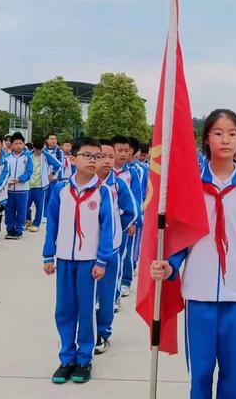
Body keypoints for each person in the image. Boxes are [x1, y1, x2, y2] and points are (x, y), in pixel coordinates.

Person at [150, 109, 236, 399]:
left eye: (232, 134)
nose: (225, 139)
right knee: (201, 373)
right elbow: (181, 236)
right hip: (200, 294)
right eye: (218, 133)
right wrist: (170, 266)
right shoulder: (191, 189)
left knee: (233, 375)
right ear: (207, 139)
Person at [42, 137, 114, 384]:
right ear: (73, 159)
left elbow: (107, 229)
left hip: (88, 262)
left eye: (97, 156)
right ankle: (66, 359)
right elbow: (52, 223)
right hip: (64, 259)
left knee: (85, 311)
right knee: (64, 310)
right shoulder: (60, 190)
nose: (94, 161)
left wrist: (102, 260)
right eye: (88, 156)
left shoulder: (103, 191)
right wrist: (48, 254)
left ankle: (84, 360)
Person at [94, 139, 138, 354]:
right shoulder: (84, 182)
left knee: (107, 291)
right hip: (85, 251)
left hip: (111, 249)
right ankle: (85, 330)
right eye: (103, 156)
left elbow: (132, 211)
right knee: (85, 293)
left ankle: (102, 332)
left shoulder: (118, 184)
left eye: (111, 157)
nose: (108, 161)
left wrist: (117, 229)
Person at [111, 135, 142, 299]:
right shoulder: (105, 171)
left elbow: (136, 199)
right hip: (108, 221)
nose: (123, 154)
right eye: (119, 150)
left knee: (124, 255)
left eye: (126, 151)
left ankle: (124, 283)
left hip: (125, 222)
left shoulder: (131, 173)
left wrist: (134, 222)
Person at [26, 137, 61, 233]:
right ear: (33, 147)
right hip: (28, 184)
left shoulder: (46, 155)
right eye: (36, 149)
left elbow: (58, 165)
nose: (37, 151)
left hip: (40, 185)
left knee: (39, 206)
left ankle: (36, 224)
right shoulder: (27, 155)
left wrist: (52, 174)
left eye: (40, 149)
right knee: (26, 205)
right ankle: (27, 220)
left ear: (43, 147)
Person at [5, 132, 33, 240]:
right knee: (9, 210)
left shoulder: (27, 158)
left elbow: (29, 172)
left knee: (22, 211)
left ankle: (19, 230)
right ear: (11, 145)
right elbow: (4, 173)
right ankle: (10, 229)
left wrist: (19, 180)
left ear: (23, 144)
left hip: (23, 190)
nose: (18, 145)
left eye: (20, 143)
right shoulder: (7, 158)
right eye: (15, 143)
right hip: (9, 190)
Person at [43, 133, 63, 217]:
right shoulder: (43, 151)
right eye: (51, 138)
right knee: (44, 198)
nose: (53, 140)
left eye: (55, 138)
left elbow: (60, 164)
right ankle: (45, 215)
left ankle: (51, 215)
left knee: (53, 198)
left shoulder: (59, 151)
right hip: (44, 179)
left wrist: (53, 174)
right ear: (47, 140)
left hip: (54, 179)